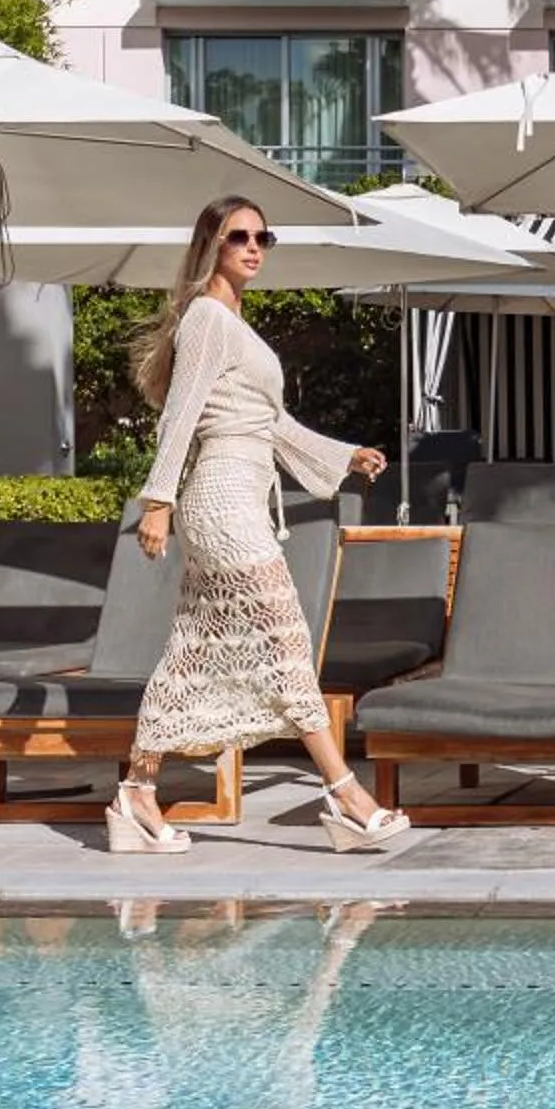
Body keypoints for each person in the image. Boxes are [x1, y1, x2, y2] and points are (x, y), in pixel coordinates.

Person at [109, 196, 407, 856]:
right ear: (210, 245)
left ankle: (136, 792)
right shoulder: (207, 318)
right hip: (219, 501)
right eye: (238, 236)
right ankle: (346, 795)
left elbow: (270, 424)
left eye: (262, 237)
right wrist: (158, 501)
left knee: (190, 649)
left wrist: (343, 455)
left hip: (243, 495)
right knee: (285, 636)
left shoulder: (233, 322)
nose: (253, 247)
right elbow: (180, 414)